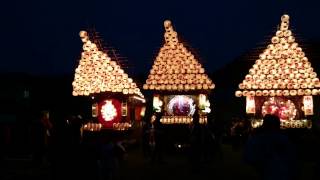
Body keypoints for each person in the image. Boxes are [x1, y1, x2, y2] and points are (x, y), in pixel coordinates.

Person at [244, 114, 296, 180]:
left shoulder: (255, 138)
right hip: (281, 173)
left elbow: (248, 157)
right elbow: (292, 157)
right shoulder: (284, 139)